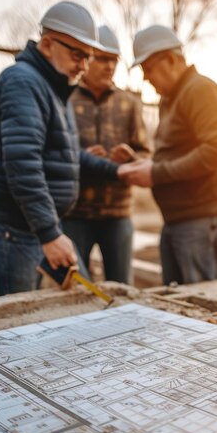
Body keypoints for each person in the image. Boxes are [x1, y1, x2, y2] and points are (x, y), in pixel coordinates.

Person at [0, 2, 123, 296]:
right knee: (19, 316)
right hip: (15, 227)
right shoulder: (23, 82)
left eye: (89, 56)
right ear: (47, 45)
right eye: (77, 54)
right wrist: (49, 233)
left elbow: (67, 156)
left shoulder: (54, 89)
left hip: (36, 223)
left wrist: (117, 170)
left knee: (81, 298)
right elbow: (23, 163)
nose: (84, 65)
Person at [119, 25, 217, 285]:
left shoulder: (201, 91)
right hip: (179, 219)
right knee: (178, 306)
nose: (146, 78)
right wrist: (143, 164)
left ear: (171, 60)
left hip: (202, 220)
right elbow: (176, 153)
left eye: (148, 69)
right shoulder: (171, 99)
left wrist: (156, 172)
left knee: (199, 309)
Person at [63, 25, 150, 284]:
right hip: (75, 214)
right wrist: (84, 157)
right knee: (76, 288)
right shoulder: (66, 99)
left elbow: (147, 154)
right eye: (102, 59)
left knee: (121, 287)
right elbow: (55, 152)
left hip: (118, 214)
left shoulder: (129, 104)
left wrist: (131, 157)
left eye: (113, 61)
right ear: (87, 58)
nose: (108, 66)